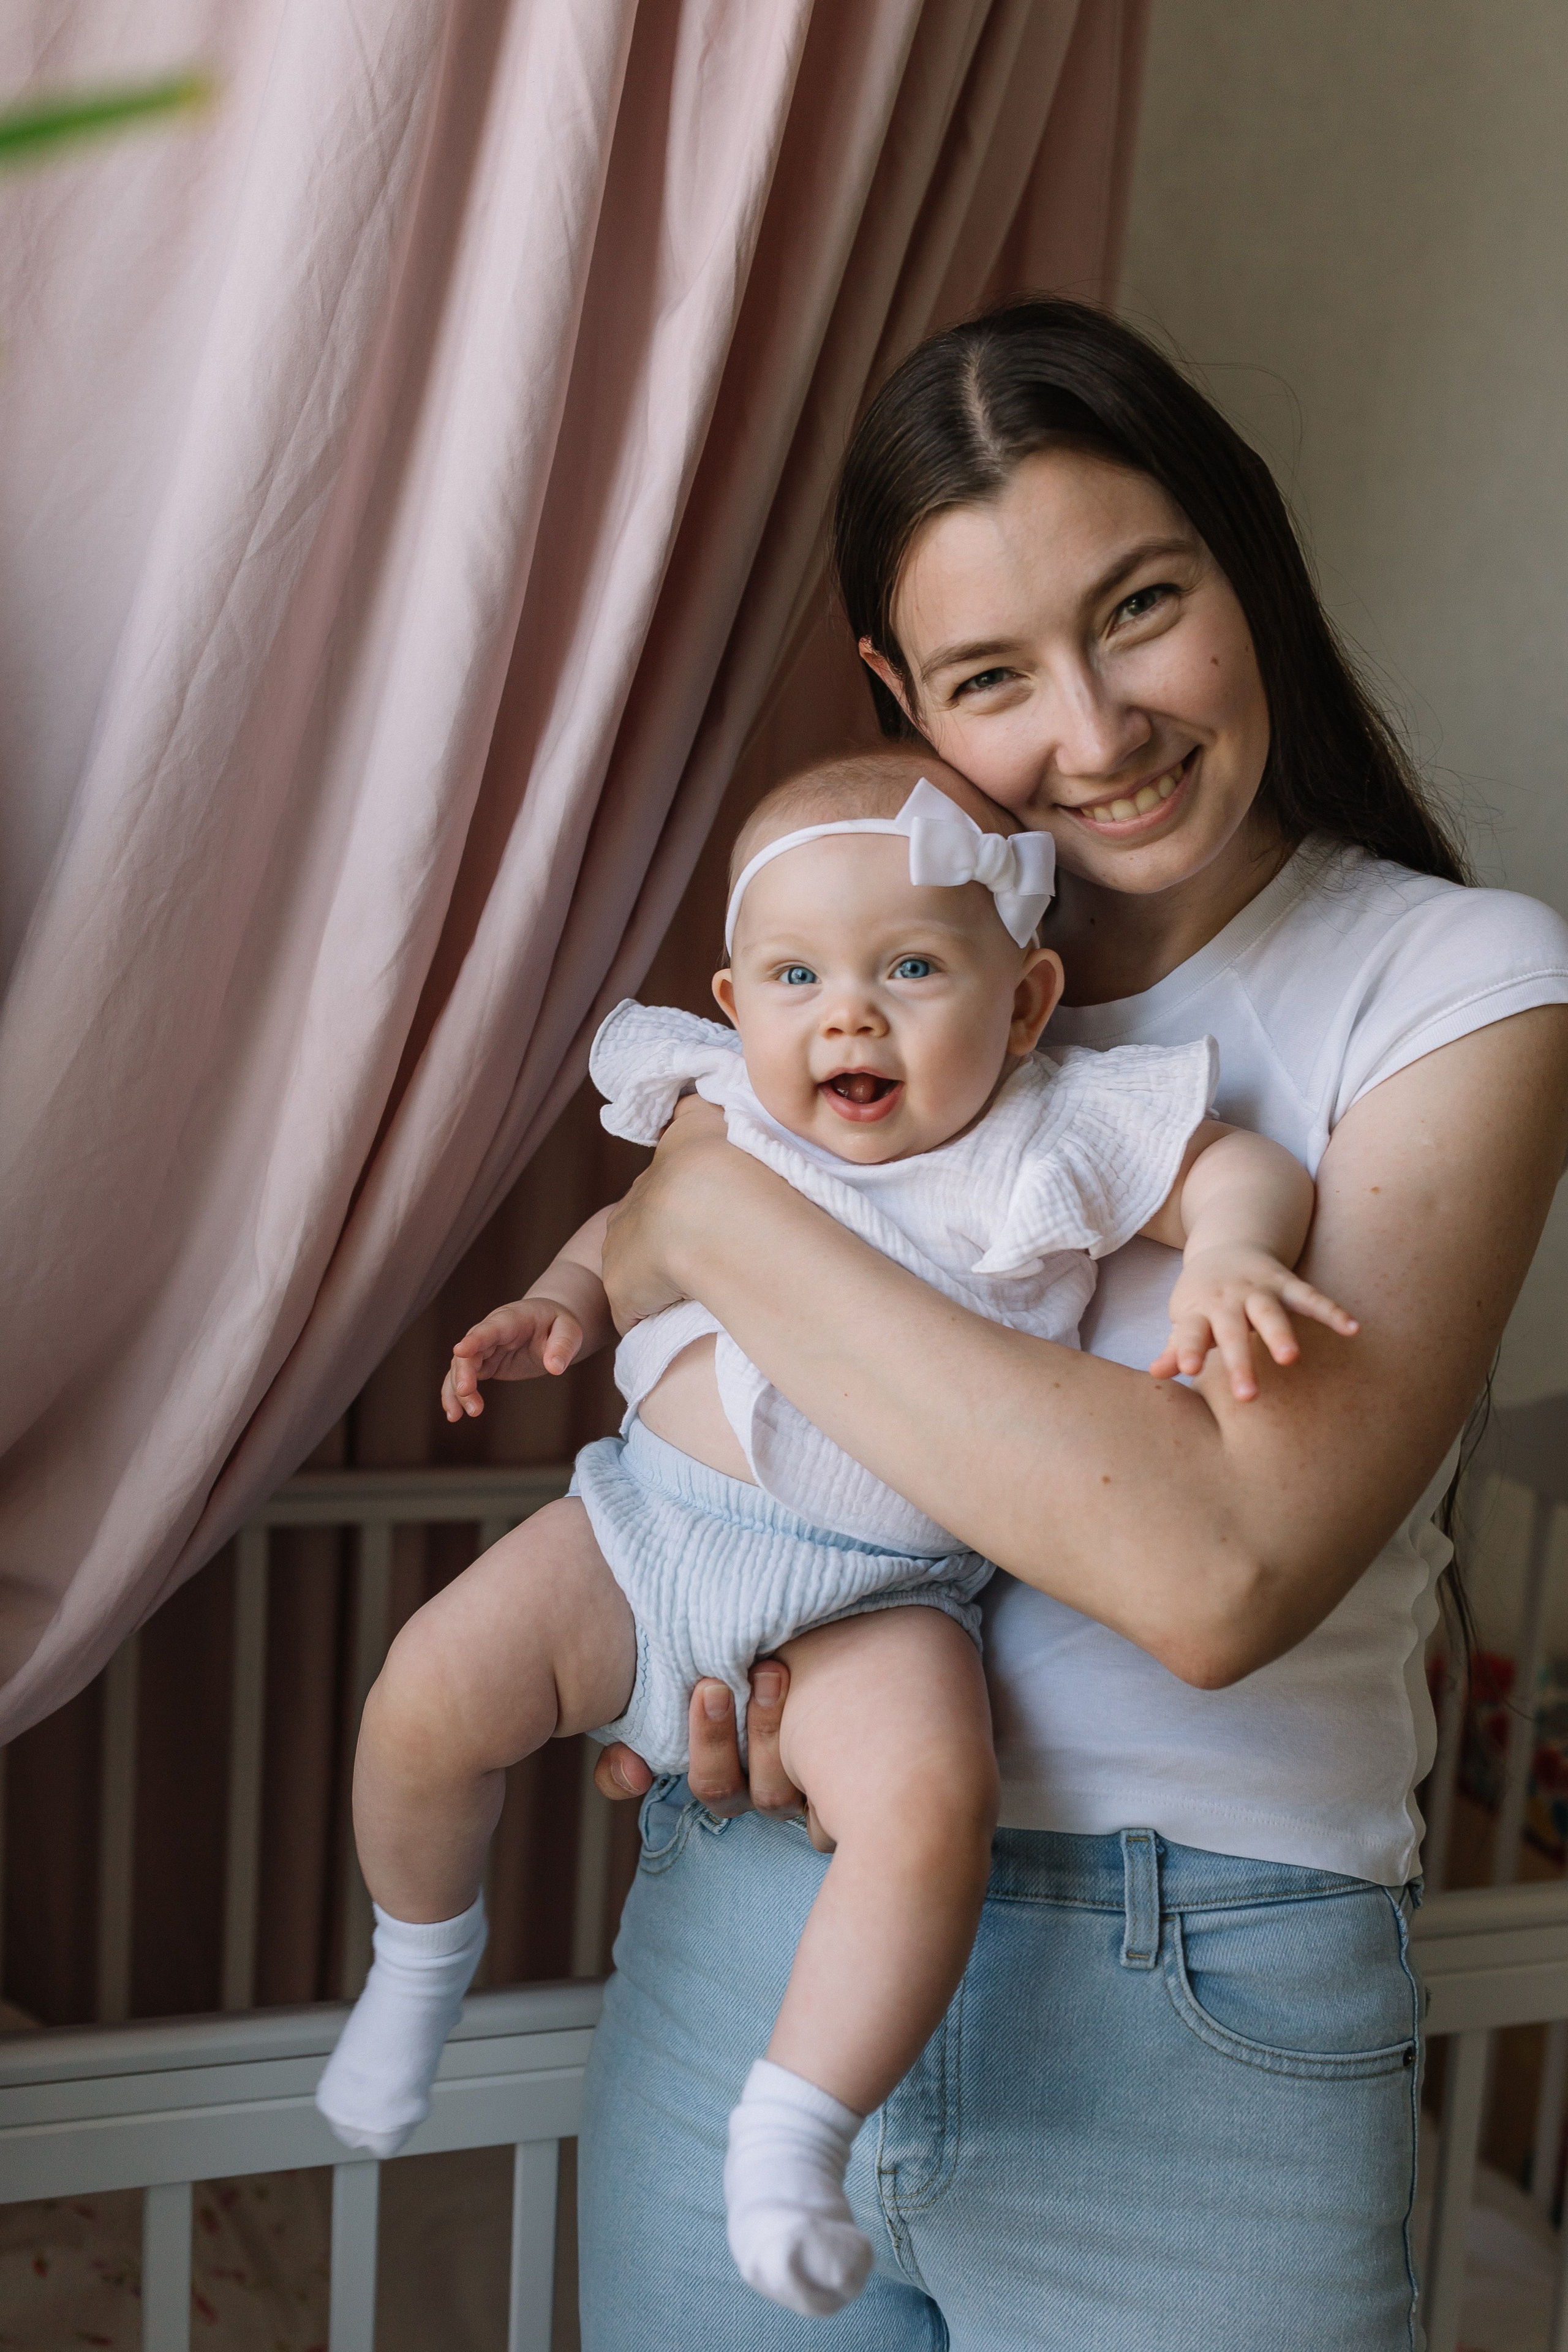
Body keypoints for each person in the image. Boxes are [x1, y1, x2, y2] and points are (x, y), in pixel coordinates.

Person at [576, 298, 1568, 2350]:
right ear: (896, 697)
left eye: (1142, 608)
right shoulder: (828, 1011)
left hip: (1201, 1997)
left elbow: (1215, 1569)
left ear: (1246, 561)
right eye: (991, 677)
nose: (1097, 733)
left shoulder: (1456, 989)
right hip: (759, 1933)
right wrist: (678, 1631)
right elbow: (674, 1430)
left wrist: (723, 1226)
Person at [314, 741, 1354, 2318]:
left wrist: (1224, 1255)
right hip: (640, 1542)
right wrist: (562, 1303)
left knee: (929, 1810)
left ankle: (789, 2132)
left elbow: (1239, 1164)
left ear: (1020, 1004)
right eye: (795, 974)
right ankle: (415, 1963)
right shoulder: (726, 1103)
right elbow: (632, 1224)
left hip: (877, 1604)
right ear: (735, 1008)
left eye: (911, 967)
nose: (846, 1013)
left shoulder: (1047, 1130)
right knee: (427, 1689)